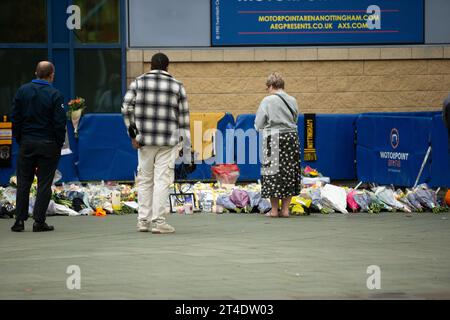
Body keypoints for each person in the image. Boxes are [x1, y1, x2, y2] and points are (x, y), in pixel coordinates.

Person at [122, 53, 191, 234]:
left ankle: (143, 221)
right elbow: (184, 118)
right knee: (162, 180)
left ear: (150, 66)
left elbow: (126, 108)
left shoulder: (138, 82)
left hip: (144, 140)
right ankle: (159, 222)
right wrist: (185, 145)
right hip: (168, 140)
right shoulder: (177, 86)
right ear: (167, 67)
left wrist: (133, 134)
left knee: (145, 179)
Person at [10, 61, 66, 232]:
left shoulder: (22, 91)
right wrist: (58, 143)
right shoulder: (55, 94)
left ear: (36, 73)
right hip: (48, 144)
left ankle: (19, 221)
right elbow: (59, 123)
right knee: (44, 183)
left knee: (24, 182)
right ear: (52, 75)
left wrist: (21, 138)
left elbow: (15, 118)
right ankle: (39, 221)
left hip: (27, 142)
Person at [255, 72, 301, 218]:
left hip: (273, 137)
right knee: (288, 171)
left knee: (272, 172)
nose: (267, 90)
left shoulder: (267, 101)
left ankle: (274, 210)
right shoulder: (292, 100)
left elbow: (259, 123)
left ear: (271, 86)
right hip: (291, 138)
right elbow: (295, 118)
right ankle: (285, 210)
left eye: (267, 87)